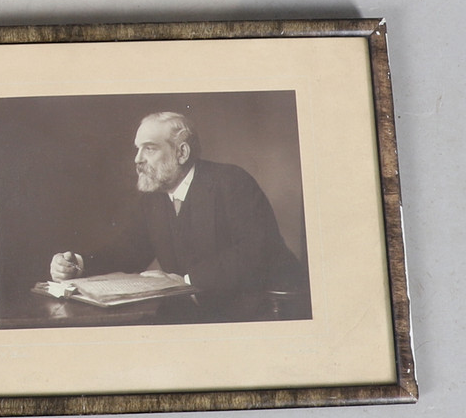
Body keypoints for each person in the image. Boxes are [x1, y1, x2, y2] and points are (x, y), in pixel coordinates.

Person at [50, 111, 306, 295]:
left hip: (270, 305)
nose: (137, 159)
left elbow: (256, 251)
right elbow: (128, 251)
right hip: (206, 306)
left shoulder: (231, 182)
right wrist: (78, 264)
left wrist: (186, 281)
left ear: (182, 152)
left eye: (149, 148)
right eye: (137, 149)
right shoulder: (154, 198)